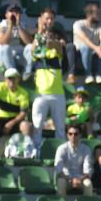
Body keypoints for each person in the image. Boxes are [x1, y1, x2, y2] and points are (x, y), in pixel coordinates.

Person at [26, 9, 67, 146]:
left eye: (51, 19)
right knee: (37, 128)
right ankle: (37, 154)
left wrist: (51, 41)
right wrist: (39, 32)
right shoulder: (36, 37)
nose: (49, 21)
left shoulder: (58, 36)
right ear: (41, 19)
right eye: (46, 18)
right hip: (41, 94)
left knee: (60, 129)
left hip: (57, 93)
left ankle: (60, 154)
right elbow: (32, 49)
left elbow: (61, 47)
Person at [0, 68, 30, 142]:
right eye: (9, 79)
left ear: (18, 79)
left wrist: (11, 123)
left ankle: (26, 149)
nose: (12, 81)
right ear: (5, 79)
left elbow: (23, 113)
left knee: (26, 126)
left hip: (15, 120)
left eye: (14, 78)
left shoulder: (23, 93)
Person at [53, 125, 96, 196]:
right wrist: (70, 179)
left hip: (81, 179)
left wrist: (79, 179)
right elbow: (58, 169)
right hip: (66, 179)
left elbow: (87, 170)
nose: (73, 136)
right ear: (67, 135)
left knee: (88, 184)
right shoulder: (62, 148)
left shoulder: (86, 149)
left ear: (80, 135)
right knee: (61, 182)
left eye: (76, 134)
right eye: (70, 134)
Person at [72, 2, 101, 84]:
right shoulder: (78, 24)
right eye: (97, 13)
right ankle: (88, 75)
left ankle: (99, 75)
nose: (100, 15)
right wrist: (96, 48)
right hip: (79, 54)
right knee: (86, 47)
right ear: (89, 15)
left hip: (95, 53)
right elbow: (85, 39)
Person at [0, 4, 31, 74]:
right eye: (11, 11)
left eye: (17, 12)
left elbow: (28, 42)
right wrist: (10, 26)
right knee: (6, 48)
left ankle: (27, 73)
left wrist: (18, 26)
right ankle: (12, 74)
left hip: (18, 56)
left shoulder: (23, 25)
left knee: (30, 47)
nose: (14, 14)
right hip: (2, 56)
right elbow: (4, 42)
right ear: (6, 14)